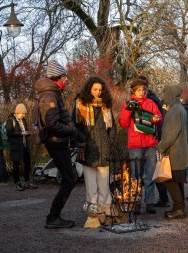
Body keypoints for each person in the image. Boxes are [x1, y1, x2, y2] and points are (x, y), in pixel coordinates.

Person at [34, 59, 77, 229]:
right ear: (58, 76)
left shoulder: (51, 94)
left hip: (58, 142)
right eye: (65, 76)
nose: (67, 80)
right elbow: (53, 124)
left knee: (69, 178)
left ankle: (54, 217)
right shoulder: (50, 96)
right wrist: (71, 129)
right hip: (56, 142)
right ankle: (53, 217)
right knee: (69, 179)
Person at [72, 76, 116, 228]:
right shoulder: (80, 104)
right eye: (95, 89)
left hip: (104, 147)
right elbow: (75, 126)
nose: (98, 92)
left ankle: (106, 214)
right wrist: (83, 140)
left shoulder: (106, 105)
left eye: (100, 90)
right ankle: (92, 217)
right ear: (89, 89)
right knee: (91, 186)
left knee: (104, 185)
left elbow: (113, 127)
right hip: (88, 148)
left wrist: (109, 142)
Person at [119, 78, 162, 214]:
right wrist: (128, 110)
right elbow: (123, 123)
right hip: (135, 144)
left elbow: (159, 118)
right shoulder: (128, 104)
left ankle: (149, 203)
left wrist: (157, 119)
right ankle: (136, 203)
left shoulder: (151, 103)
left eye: (144, 89)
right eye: (139, 90)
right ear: (133, 91)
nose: (142, 92)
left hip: (150, 143)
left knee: (149, 175)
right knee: (136, 175)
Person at [137, 75, 170, 208]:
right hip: (155, 136)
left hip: (148, 137)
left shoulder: (149, 100)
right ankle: (163, 198)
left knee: (147, 171)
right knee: (154, 170)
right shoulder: (155, 98)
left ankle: (158, 198)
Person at [157, 85, 188, 219]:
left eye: (165, 94)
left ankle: (179, 209)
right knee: (177, 180)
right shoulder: (179, 108)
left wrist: (161, 147)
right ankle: (178, 207)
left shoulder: (175, 110)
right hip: (179, 151)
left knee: (170, 180)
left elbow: (170, 134)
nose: (164, 97)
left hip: (174, 151)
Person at [6, 103, 37, 191]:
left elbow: (25, 131)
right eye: (22, 113)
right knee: (16, 164)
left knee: (27, 163)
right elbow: (9, 133)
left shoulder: (23, 120)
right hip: (15, 147)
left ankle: (27, 181)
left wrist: (30, 133)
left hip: (24, 145)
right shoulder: (10, 120)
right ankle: (17, 183)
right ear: (18, 112)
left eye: (24, 114)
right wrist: (21, 133)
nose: (23, 115)